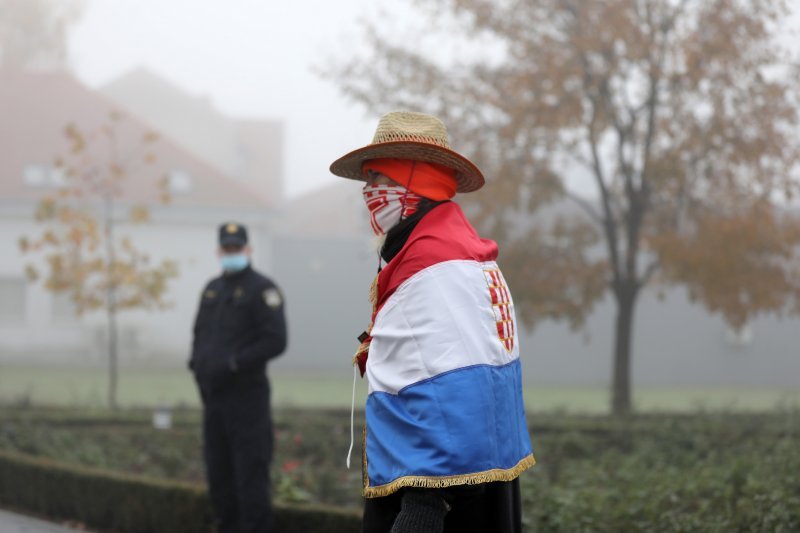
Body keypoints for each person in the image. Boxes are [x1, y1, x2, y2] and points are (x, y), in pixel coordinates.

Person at [330, 111, 535, 533]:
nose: (368, 191)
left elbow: (463, 383)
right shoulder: (448, 248)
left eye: (378, 177)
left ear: (415, 180)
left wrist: (425, 503)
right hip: (460, 477)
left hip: (439, 492)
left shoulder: (436, 263)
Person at [189, 222, 287, 533]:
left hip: (247, 400)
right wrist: (197, 365)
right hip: (214, 400)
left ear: (248, 250)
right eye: (226, 248)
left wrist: (234, 364)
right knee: (219, 478)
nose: (231, 253)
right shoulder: (212, 289)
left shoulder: (263, 290)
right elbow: (200, 334)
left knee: (250, 480)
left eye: (237, 248)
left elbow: (276, 340)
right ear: (219, 251)